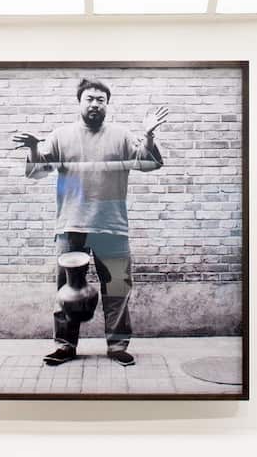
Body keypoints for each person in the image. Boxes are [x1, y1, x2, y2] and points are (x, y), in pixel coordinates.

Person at [12, 78, 169, 367]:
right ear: (80, 102)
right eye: (90, 99)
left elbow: (150, 163)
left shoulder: (122, 135)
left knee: (118, 289)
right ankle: (65, 346)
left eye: (101, 100)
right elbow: (36, 172)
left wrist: (148, 136)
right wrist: (34, 148)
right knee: (67, 290)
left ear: (107, 104)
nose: (95, 104)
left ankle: (117, 346)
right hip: (72, 226)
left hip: (112, 227)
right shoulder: (61, 136)